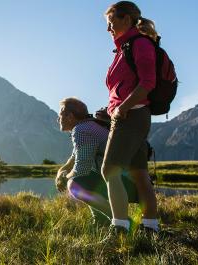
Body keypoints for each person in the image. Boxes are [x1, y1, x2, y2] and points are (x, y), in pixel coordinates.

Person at [101, 1, 160, 239]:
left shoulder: (140, 44)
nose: (108, 29)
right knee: (139, 173)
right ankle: (151, 228)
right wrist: (112, 108)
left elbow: (148, 83)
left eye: (111, 23)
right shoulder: (124, 47)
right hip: (131, 114)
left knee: (109, 170)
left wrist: (121, 109)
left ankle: (120, 229)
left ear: (126, 19)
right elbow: (124, 86)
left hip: (131, 115)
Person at [55, 97, 137, 226]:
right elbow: (73, 159)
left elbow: (81, 169)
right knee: (85, 179)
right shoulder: (89, 125)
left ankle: (122, 220)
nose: (58, 119)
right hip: (128, 181)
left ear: (70, 116)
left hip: (122, 184)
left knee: (75, 184)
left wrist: (65, 178)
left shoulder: (81, 130)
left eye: (60, 115)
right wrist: (60, 173)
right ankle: (100, 220)